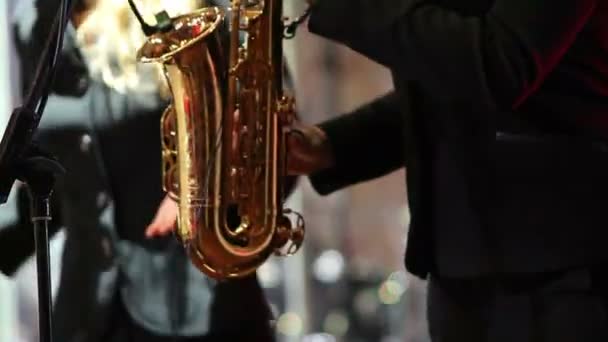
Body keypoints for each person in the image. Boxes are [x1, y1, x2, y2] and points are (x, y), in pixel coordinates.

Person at [286, 0, 608, 341]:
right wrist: (330, 145)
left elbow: (498, 61)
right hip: (461, 273)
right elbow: (448, 95)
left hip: (568, 272)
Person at [0, 0, 275, 341]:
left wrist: (205, 185)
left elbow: (270, 138)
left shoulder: (209, 9)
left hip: (201, 313)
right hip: (87, 317)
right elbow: (68, 177)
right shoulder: (35, 20)